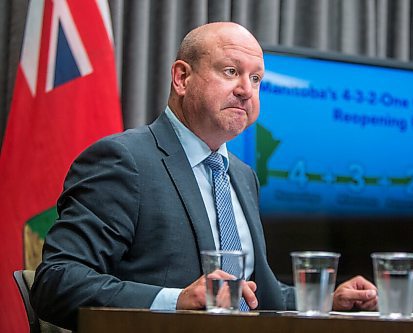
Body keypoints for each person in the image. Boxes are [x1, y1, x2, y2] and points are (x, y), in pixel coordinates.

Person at [30, 22, 377, 330]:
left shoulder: (242, 176)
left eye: (256, 78)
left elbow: (253, 295)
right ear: (182, 78)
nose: (246, 90)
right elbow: (58, 283)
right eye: (230, 71)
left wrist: (323, 301)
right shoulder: (124, 161)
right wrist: (175, 301)